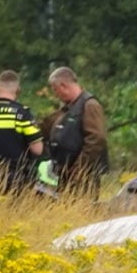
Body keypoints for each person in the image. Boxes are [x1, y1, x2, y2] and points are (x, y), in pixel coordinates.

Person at [40, 67, 108, 196]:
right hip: (64, 175)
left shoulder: (89, 105)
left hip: (83, 179)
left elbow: (96, 139)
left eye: (55, 89)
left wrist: (78, 170)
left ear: (63, 85)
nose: (55, 94)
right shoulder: (68, 109)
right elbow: (45, 126)